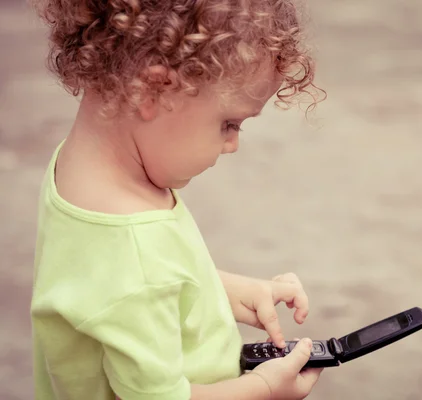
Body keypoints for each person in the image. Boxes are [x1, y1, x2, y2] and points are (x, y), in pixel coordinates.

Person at [29, 0, 327, 399]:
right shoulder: (135, 242)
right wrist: (265, 387)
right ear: (154, 90)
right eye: (229, 123)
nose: (232, 145)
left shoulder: (80, 174)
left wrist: (223, 290)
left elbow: (112, 286)